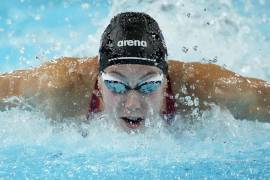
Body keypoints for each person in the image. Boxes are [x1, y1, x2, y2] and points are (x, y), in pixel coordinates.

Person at [0, 12, 269, 130]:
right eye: (116, 85)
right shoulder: (58, 87)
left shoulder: (205, 90)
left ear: (166, 81)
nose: (132, 103)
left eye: (149, 85)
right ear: (98, 79)